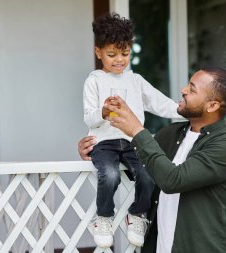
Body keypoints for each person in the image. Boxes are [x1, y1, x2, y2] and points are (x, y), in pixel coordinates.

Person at [79, 67, 226, 253]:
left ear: (212, 106)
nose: (183, 90)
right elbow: (141, 164)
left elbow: (173, 180)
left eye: (192, 90)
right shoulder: (171, 134)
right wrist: (99, 148)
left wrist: (136, 130)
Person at [83, 12, 184, 248]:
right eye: (111, 54)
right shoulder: (94, 81)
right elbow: (89, 116)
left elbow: (160, 103)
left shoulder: (135, 80)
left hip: (132, 141)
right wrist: (104, 112)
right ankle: (104, 217)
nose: (119, 60)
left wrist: (185, 112)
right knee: (110, 175)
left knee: (149, 174)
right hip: (103, 143)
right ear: (98, 52)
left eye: (125, 53)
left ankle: (137, 215)